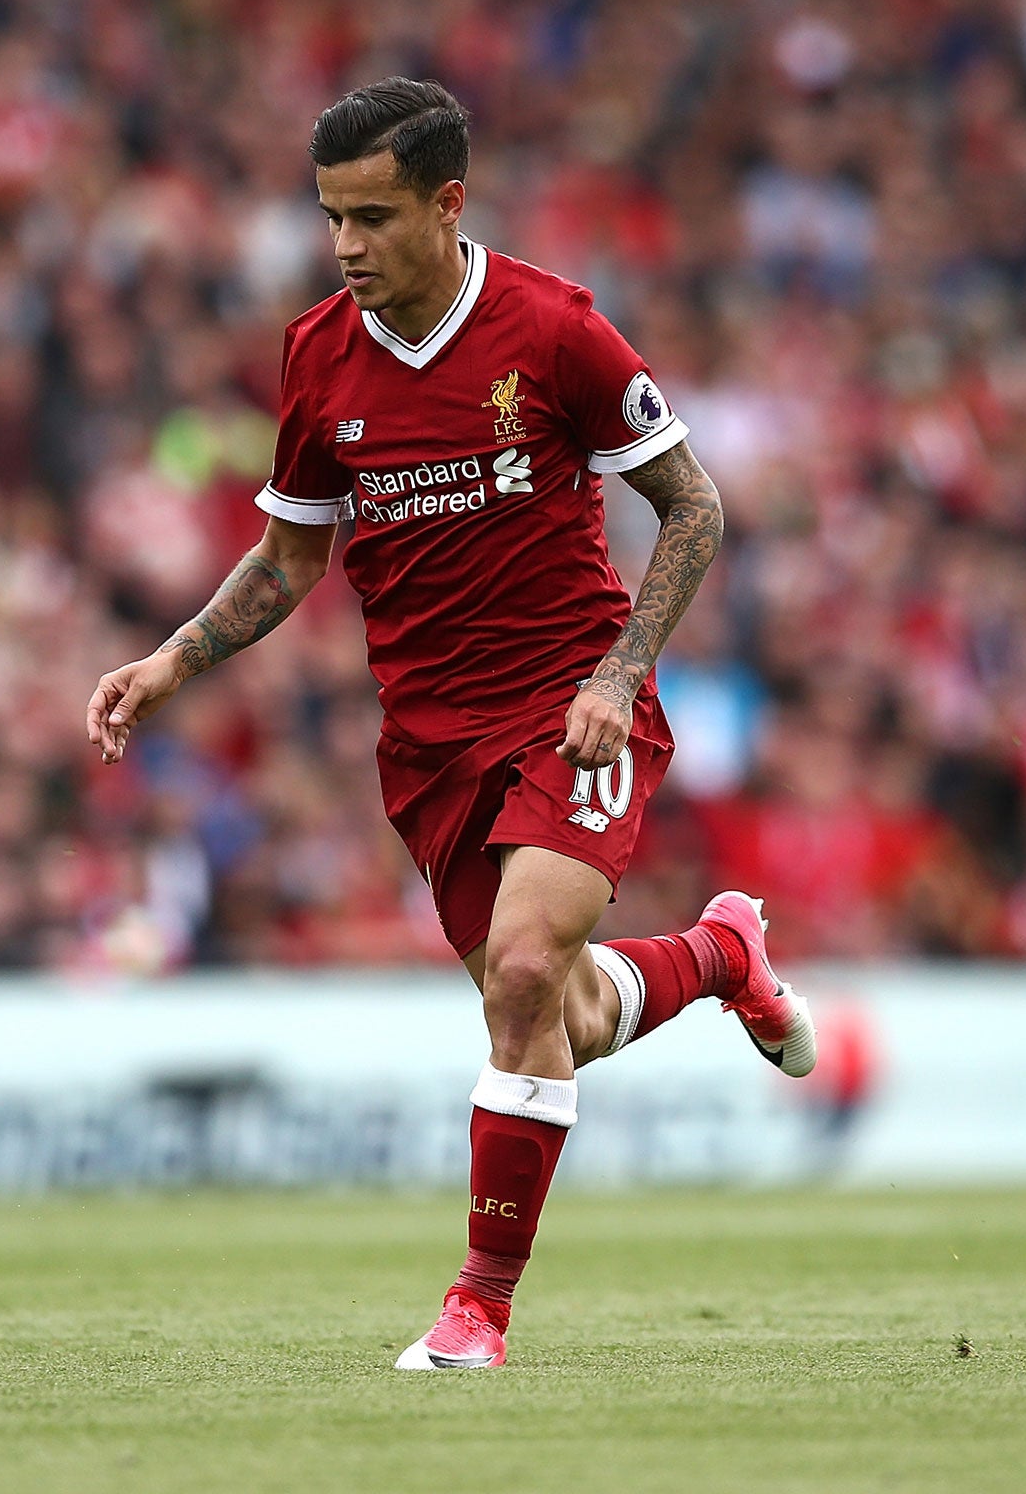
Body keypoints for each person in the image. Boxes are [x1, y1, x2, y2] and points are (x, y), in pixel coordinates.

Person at [85, 77, 815, 1371]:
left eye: (373, 215)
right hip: (429, 745)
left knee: (526, 975)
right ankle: (717, 956)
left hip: (576, 708)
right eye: (331, 220)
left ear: (449, 202)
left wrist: (621, 673)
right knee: (563, 1015)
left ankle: (477, 1309)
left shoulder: (558, 331)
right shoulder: (318, 354)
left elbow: (694, 509)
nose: (349, 245)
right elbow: (288, 560)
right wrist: (173, 660)